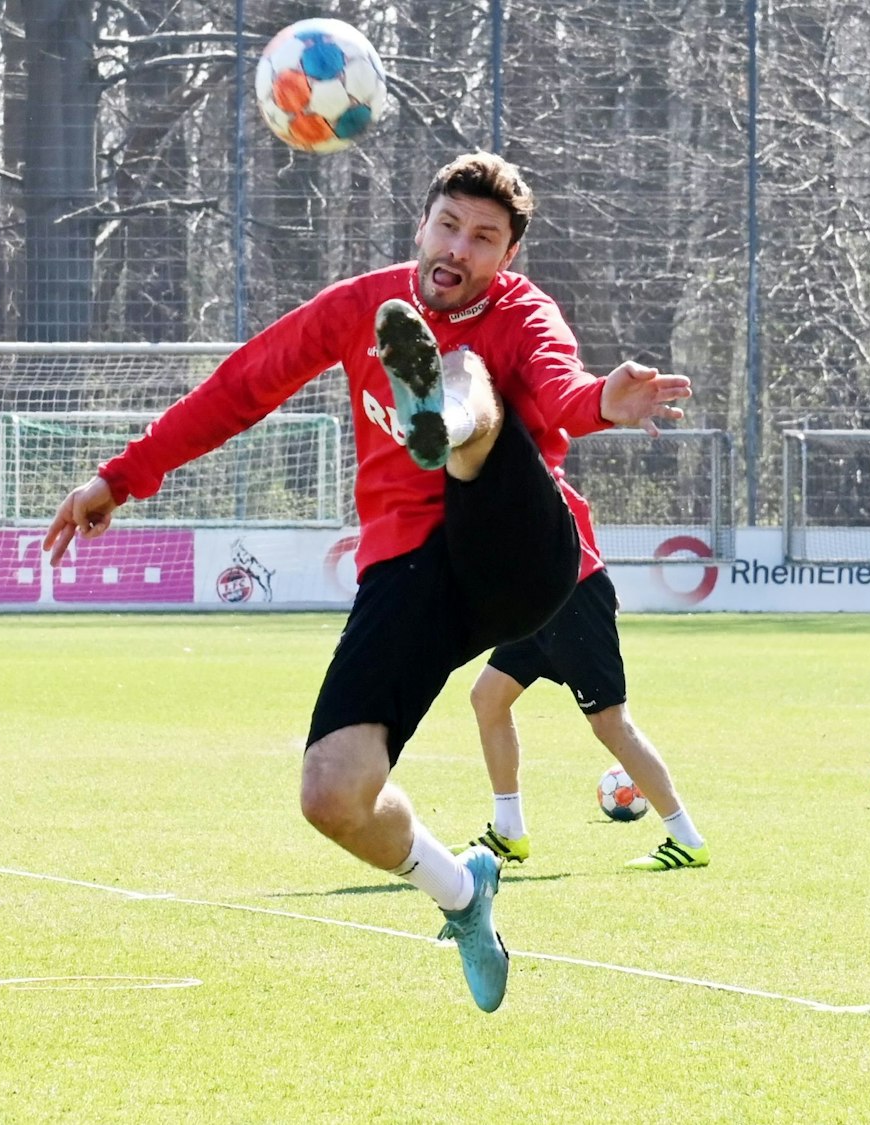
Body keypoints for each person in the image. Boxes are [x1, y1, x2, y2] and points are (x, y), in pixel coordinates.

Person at [46, 153, 690, 1013]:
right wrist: (121, 476)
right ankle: (463, 893)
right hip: (412, 571)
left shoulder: (524, 311)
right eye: (449, 227)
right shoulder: (365, 305)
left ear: (508, 256)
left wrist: (602, 404)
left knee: (471, 387)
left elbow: (561, 385)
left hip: (522, 554)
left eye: (484, 238)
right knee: (333, 795)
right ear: (422, 226)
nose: (460, 248)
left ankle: (446, 414)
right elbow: (242, 386)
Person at [462, 551, 709, 872]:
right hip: (540, 604)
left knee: (610, 723)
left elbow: (570, 513)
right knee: (487, 697)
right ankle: (509, 832)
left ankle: (687, 841)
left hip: (574, 599)